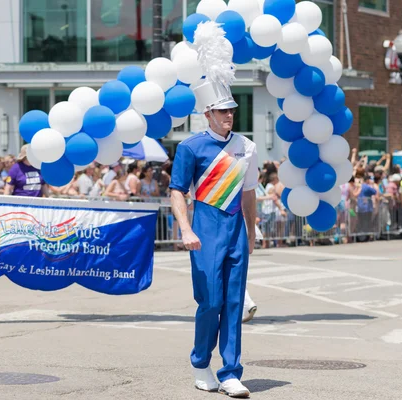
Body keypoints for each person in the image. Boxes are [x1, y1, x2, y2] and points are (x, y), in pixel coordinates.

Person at [169, 21, 258, 399]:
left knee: (235, 303)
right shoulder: (190, 147)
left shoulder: (247, 146)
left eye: (231, 110)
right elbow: (176, 192)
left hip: (235, 226)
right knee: (211, 301)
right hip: (204, 227)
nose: (228, 116)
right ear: (208, 113)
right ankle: (200, 362)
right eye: (222, 111)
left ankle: (231, 371)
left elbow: (250, 191)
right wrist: (186, 230)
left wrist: (252, 233)